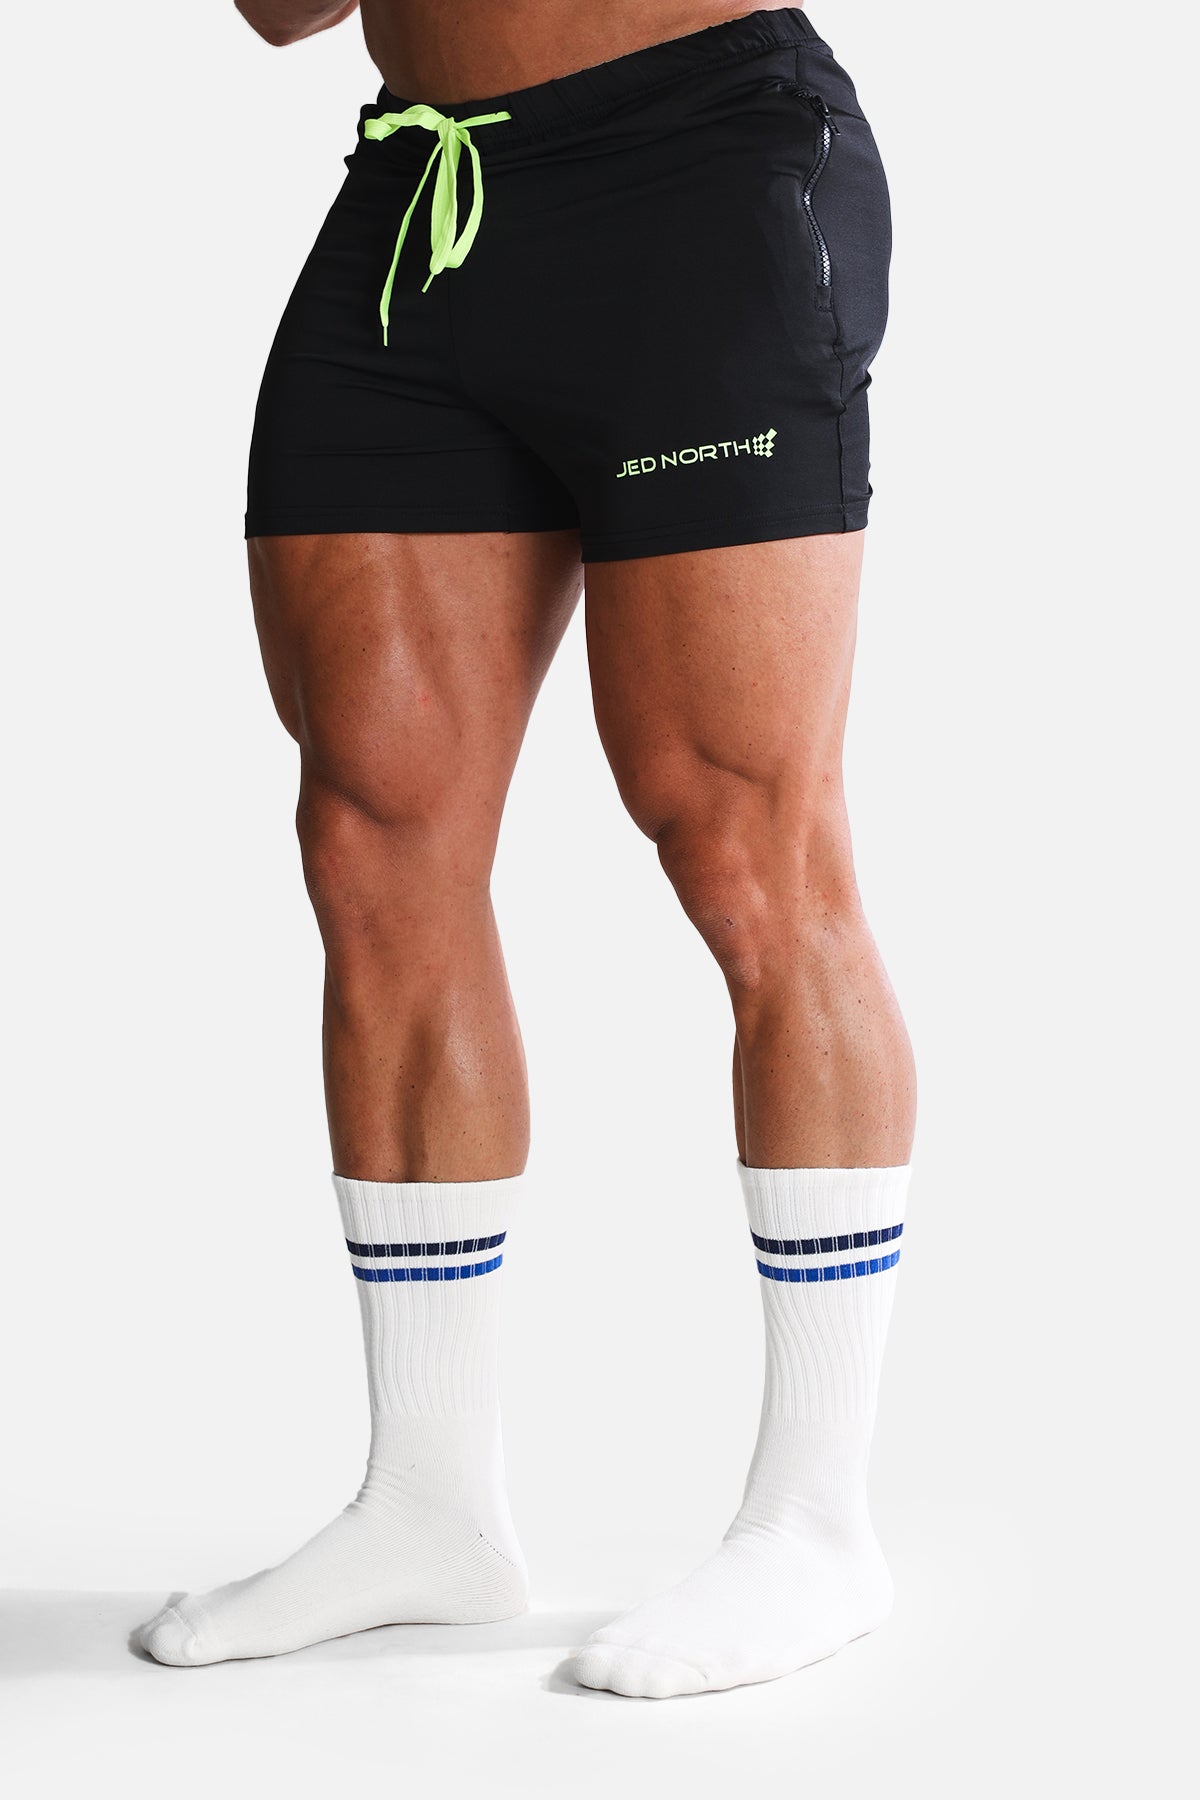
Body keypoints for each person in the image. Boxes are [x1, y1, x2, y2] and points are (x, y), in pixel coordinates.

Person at [137, 0, 916, 1698]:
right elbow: (281, 11)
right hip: (424, 203)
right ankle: (429, 1505)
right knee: (372, 830)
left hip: (696, 175)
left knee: (741, 835)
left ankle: (815, 1523)